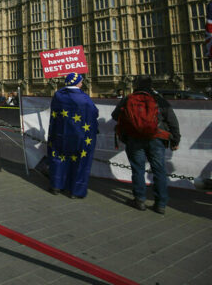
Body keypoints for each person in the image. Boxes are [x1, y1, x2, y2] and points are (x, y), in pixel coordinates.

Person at [112, 76, 180, 214]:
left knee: (138, 170)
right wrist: (175, 140)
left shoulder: (128, 99)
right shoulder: (159, 100)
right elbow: (172, 121)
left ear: (135, 85)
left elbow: (115, 115)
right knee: (159, 171)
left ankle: (139, 200)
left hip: (134, 139)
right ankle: (160, 204)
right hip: (156, 139)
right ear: (151, 85)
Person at [47, 73, 99, 199]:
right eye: (81, 81)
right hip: (80, 137)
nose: (82, 83)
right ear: (78, 83)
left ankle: (56, 185)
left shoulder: (58, 95)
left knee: (59, 159)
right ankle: (75, 191)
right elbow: (94, 113)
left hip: (60, 135)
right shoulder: (85, 98)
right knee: (80, 162)